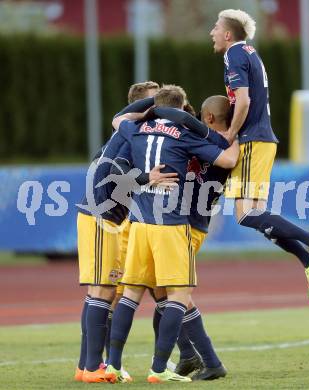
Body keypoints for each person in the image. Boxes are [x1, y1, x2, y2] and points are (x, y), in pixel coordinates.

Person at [105, 85, 240, 383]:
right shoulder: (194, 134)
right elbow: (227, 160)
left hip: (147, 221)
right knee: (175, 296)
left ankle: (114, 365)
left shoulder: (138, 128)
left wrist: (147, 110)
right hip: (174, 223)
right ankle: (167, 366)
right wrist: (237, 136)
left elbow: (118, 121)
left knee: (136, 293)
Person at [210, 9, 309, 299]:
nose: (212, 33)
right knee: (260, 216)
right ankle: (308, 260)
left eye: (216, 27)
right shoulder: (250, 53)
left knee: (245, 215)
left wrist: (230, 134)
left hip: (253, 140)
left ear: (228, 34)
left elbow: (243, 100)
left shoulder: (234, 54)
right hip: (261, 139)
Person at [75, 82, 177, 384]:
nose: (157, 111)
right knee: (102, 291)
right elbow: (113, 174)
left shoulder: (129, 135)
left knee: (103, 291)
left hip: (107, 218)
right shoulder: (126, 134)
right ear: (140, 109)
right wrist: (149, 177)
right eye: (152, 105)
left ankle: (87, 366)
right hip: (100, 216)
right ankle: (93, 367)